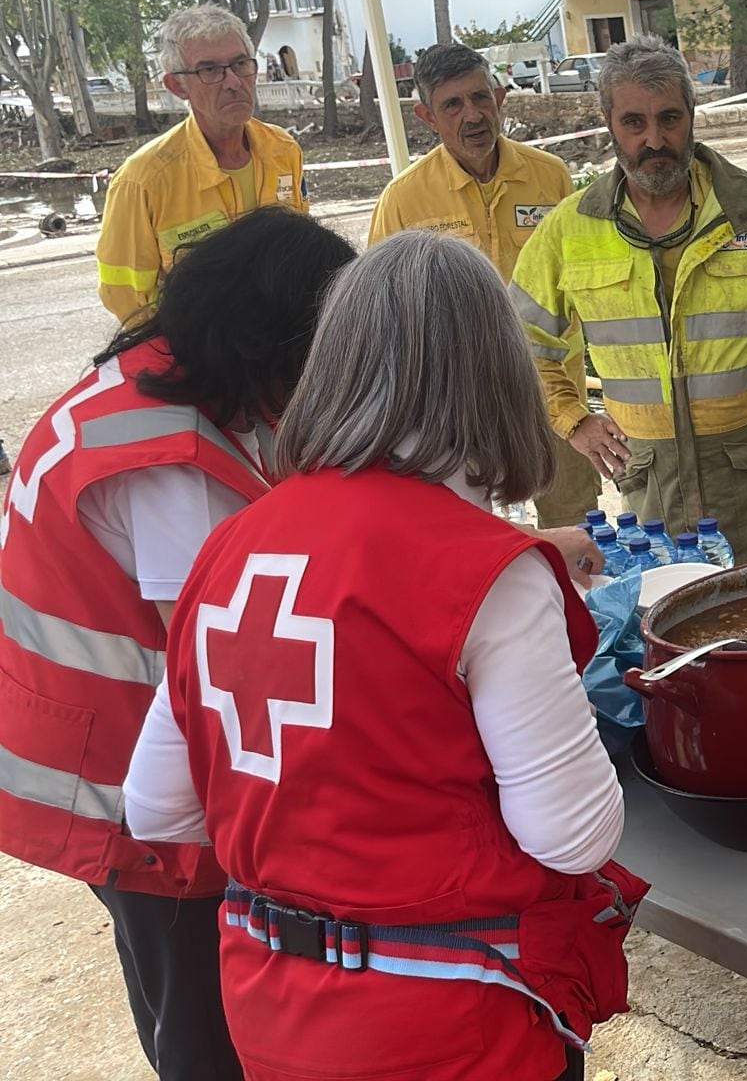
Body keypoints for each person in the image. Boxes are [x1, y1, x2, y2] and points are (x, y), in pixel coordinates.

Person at [122, 233, 639, 1081]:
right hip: (449, 1021)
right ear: (496, 379)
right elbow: (575, 836)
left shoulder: (228, 547)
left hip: (269, 1003)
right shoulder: (489, 576)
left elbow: (157, 810)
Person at [0, 208, 356, 1081]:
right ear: (272, 338)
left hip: (122, 746)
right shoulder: (168, 463)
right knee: (203, 1021)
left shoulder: (164, 372)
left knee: (178, 993)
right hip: (121, 781)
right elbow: (224, 665)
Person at [513, 38, 747, 563]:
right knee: (671, 630)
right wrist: (574, 420)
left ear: (692, 114)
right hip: (648, 481)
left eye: (669, 118)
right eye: (634, 123)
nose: (655, 139)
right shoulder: (569, 231)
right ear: (608, 122)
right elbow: (520, 342)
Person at [368, 43, 596, 529]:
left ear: (499, 97)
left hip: (552, 396)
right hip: (457, 406)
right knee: (466, 530)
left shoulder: (549, 176)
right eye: (452, 105)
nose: (472, 116)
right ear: (426, 115)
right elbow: (381, 313)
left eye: (480, 98)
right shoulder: (404, 199)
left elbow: (581, 276)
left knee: (578, 528)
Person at [97, 3, 308, 326]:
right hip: (198, 358)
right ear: (176, 85)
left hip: (281, 343)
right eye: (210, 70)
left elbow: (299, 249)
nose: (234, 82)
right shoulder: (142, 181)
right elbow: (125, 297)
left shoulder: (283, 150)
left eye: (240, 64)